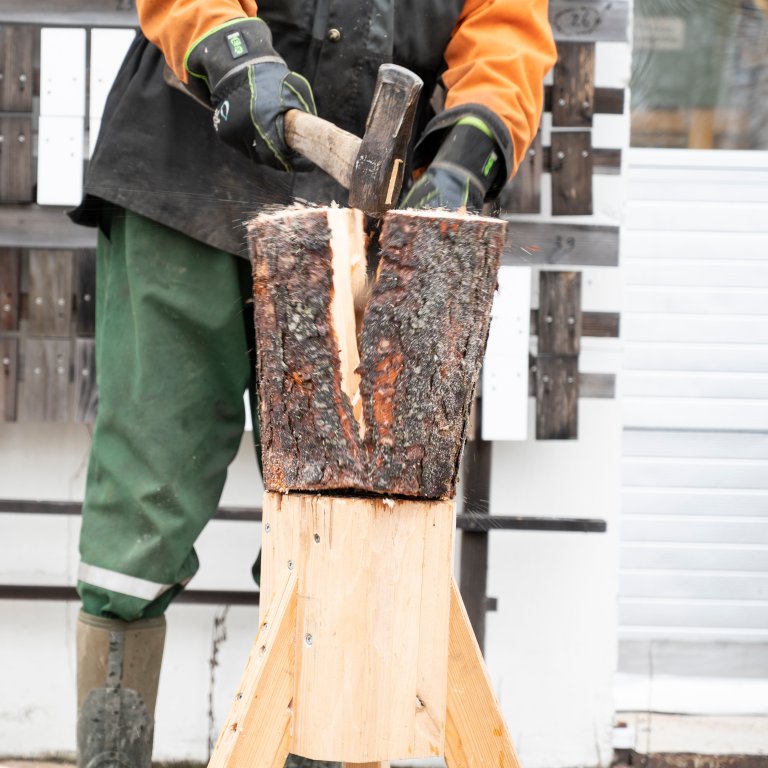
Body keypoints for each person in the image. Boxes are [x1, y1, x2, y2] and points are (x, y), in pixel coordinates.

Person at [70, 2, 556, 766]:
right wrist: (229, 50)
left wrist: (466, 157)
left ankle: (320, 749)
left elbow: (508, 34)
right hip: (183, 176)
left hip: (350, 225)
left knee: (340, 526)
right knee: (142, 504)